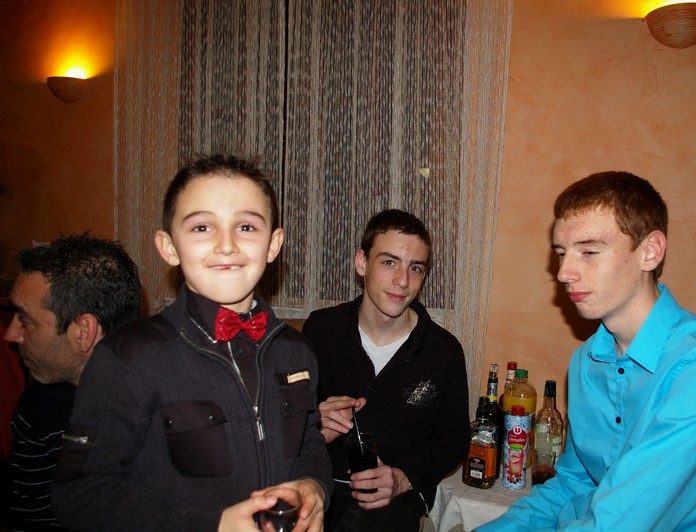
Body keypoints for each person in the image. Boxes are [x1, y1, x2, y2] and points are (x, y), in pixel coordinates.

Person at [50, 155, 332, 531]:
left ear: (273, 244)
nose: (227, 244)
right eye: (202, 227)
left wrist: (314, 487)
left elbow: (310, 443)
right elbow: (78, 494)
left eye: (246, 226)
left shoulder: (296, 352)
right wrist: (210, 525)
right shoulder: (129, 357)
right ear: (169, 247)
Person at [478, 171, 696, 531]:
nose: (564, 273)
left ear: (650, 252)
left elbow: (623, 519)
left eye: (589, 252)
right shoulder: (585, 362)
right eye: (561, 253)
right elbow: (570, 486)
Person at [302, 208, 470, 532]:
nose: (403, 281)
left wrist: (403, 476)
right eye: (389, 262)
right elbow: (283, 421)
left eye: (415, 268)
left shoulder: (444, 352)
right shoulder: (320, 330)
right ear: (361, 262)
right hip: (317, 478)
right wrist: (312, 420)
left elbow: (454, 440)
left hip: (396, 494)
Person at [3, 233, 142, 530]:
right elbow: (30, 520)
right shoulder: (41, 404)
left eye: (25, 320)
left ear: (84, 332)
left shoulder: (168, 412)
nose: (11, 335)